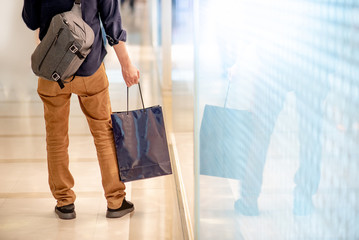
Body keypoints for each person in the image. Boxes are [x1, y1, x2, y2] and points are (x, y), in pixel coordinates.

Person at [22, 0, 140, 220]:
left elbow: (30, 21)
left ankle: (64, 202)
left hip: (53, 69)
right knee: (104, 134)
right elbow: (112, 22)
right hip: (90, 67)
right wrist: (126, 64)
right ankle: (115, 201)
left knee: (56, 138)